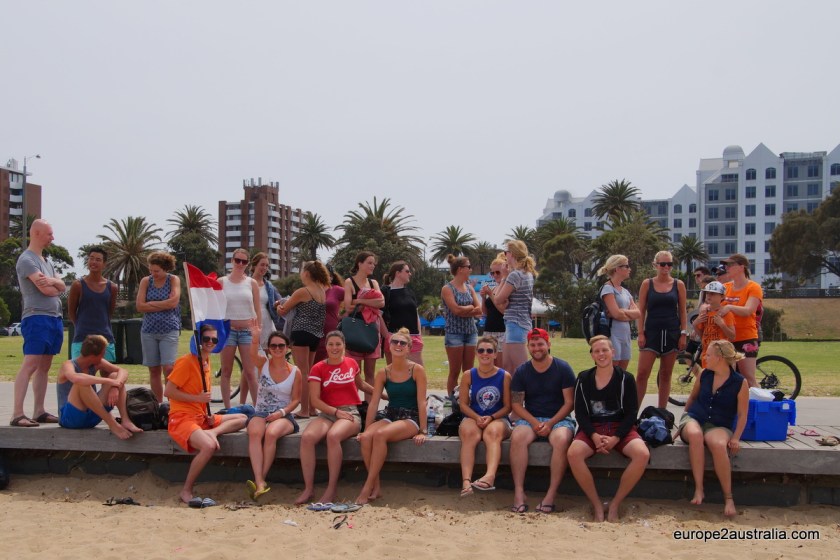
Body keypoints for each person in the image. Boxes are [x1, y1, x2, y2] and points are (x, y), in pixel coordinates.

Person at [568, 336, 649, 522]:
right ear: (592, 355)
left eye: (604, 350)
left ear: (613, 352)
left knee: (642, 454)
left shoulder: (625, 379)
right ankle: (597, 504)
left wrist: (616, 438)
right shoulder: (583, 378)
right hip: (593, 428)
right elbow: (580, 414)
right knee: (573, 454)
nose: (601, 354)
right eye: (596, 351)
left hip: (619, 427)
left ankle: (614, 504)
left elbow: (631, 414)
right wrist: (594, 436)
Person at [165, 324, 248, 506]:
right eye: (206, 339)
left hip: (200, 417)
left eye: (214, 339)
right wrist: (197, 398)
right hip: (182, 418)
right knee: (209, 446)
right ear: (198, 341)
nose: (210, 342)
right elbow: (168, 391)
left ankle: (213, 432)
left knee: (242, 418)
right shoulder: (187, 361)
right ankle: (186, 489)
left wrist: (209, 417)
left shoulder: (207, 360)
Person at [294, 331, 375, 506]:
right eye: (331, 344)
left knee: (333, 436)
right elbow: (314, 400)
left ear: (344, 346)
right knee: (307, 437)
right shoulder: (318, 368)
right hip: (328, 413)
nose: (334, 348)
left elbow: (360, 385)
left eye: (338, 344)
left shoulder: (352, 363)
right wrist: (334, 412)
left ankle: (331, 488)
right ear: (326, 346)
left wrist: (380, 394)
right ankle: (309, 488)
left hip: (350, 412)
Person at [355, 328, 428, 505]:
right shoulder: (384, 372)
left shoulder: (417, 370)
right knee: (366, 438)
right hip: (391, 413)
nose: (398, 345)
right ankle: (376, 486)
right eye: (395, 342)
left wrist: (423, 430)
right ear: (389, 346)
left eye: (402, 343)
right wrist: (367, 427)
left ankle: (367, 487)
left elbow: (422, 402)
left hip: (411, 417)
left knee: (380, 435)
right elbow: (373, 403)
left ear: (409, 348)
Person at [678, 340, 749, 518]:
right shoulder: (704, 375)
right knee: (695, 435)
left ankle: (728, 497)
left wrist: (736, 438)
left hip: (719, 424)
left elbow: (742, 415)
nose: (705, 357)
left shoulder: (740, 383)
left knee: (717, 444)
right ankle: (699, 489)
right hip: (695, 418)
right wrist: (682, 422)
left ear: (719, 358)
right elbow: (692, 399)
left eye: (708, 355)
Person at [509, 328, 576, 514]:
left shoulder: (563, 368)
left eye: (540, 344)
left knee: (561, 439)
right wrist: (534, 422)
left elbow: (569, 403)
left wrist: (551, 423)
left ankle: (550, 495)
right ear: (528, 347)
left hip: (559, 418)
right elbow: (516, 404)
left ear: (548, 344)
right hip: (531, 418)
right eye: (533, 344)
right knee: (518, 437)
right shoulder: (522, 371)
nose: (537, 348)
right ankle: (519, 492)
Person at [11, 219, 66, 427]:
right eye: (49, 234)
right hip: (37, 317)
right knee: (31, 364)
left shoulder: (47, 261)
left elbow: (61, 286)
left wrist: (55, 282)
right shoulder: (27, 260)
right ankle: (17, 413)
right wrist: (56, 284)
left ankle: (39, 410)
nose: (53, 238)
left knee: (45, 366)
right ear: (36, 233)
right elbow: (47, 289)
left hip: (54, 317)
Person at [245, 328, 302, 501]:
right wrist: (255, 338)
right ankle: (259, 480)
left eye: (281, 345)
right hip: (261, 411)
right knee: (254, 433)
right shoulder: (263, 363)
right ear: (268, 348)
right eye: (273, 346)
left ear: (287, 348)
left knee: (271, 434)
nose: (277, 349)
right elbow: (252, 354)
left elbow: (296, 400)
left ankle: (261, 479)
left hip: (283, 414)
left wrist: (281, 413)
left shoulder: (295, 371)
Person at [56, 334, 143, 439]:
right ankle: (112, 424)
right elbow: (76, 378)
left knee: (115, 376)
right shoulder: (68, 365)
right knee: (82, 384)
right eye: (103, 353)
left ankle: (125, 420)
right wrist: (109, 381)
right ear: (94, 356)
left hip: (93, 415)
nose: (104, 355)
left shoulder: (97, 362)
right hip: (71, 419)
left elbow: (122, 371)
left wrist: (116, 386)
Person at [457, 335, 512, 498]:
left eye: (489, 350)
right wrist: (476, 417)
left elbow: (508, 406)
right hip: (474, 416)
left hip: (497, 418)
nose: (485, 353)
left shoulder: (504, 376)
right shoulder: (468, 375)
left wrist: (492, 417)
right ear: (476, 353)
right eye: (481, 350)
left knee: (492, 433)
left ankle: (490, 476)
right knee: (469, 434)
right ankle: (466, 481)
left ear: (495, 354)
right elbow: (463, 405)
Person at [635, 250, 688, 408]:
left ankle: (662, 413)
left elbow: (683, 310)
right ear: (655, 265)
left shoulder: (679, 284)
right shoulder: (647, 284)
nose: (666, 267)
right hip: (651, 331)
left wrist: (683, 333)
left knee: (666, 374)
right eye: (663, 264)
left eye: (669, 264)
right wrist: (640, 333)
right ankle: (633, 413)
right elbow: (641, 310)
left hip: (672, 331)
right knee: (642, 373)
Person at [276, 261, 328, 418]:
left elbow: (283, 311)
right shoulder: (321, 291)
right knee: (310, 373)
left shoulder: (303, 291)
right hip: (315, 334)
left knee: (303, 373)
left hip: (301, 332)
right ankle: (312, 407)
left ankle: (304, 409)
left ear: (306, 273)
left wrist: (278, 306)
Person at [136, 251, 181, 402]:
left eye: (157, 271)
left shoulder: (173, 280)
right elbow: (140, 306)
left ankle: (172, 404)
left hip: (169, 329)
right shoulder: (146, 281)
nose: (153, 273)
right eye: (151, 270)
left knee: (168, 368)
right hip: (149, 330)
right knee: (153, 369)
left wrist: (151, 304)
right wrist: (164, 304)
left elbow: (173, 302)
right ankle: (158, 404)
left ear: (166, 268)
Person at [218, 248, 261, 408]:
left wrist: (259, 329)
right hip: (228, 329)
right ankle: (227, 407)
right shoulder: (222, 281)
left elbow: (257, 308)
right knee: (226, 371)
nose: (240, 264)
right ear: (232, 260)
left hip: (247, 331)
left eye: (244, 261)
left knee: (250, 372)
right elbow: (215, 306)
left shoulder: (252, 283)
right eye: (238, 260)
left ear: (248, 263)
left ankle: (257, 408)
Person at [489, 240, 537, 375]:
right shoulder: (526, 273)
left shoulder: (515, 275)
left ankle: (523, 396)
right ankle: (511, 396)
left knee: (519, 370)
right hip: (517, 323)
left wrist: (504, 276)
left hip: (516, 323)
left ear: (513, 254)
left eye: (506, 252)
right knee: (508, 368)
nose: (505, 256)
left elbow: (497, 298)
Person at [718, 254, 763, 388]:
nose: (727, 268)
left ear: (741, 267)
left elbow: (749, 310)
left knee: (748, 378)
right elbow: (713, 303)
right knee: (727, 378)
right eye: (726, 265)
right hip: (727, 337)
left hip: (746, 338)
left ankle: (757, 405)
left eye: (730, 265)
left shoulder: (753, 287)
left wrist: (730, 307)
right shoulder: (725, 287)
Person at [343, 251, 385, 394]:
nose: (372, 266)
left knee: (370, 372)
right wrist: (370, 303)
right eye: (369, 262)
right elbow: (348, 306)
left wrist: (360, 300)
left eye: (374, 263)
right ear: (359, 264)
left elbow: (381, 302)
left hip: (371, 330)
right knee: (354, 373)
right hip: (355, 330)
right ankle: (353, 405)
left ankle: (368, 407)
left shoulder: (374, 283)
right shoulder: (349, 282)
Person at [441, 254, 482, 396]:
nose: (470, 269)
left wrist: (465, 310)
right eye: (468, 267)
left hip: (471, 332)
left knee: (469, 371)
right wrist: (470, 308)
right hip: (454, 333)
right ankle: (453, 402)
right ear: (460, 269)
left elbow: (479, 311)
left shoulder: (470, 288)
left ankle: (466, 400)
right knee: (454, 371)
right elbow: (455, 310)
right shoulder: (447, 289)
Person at [68, 246, 118, 361]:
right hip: (82, 337)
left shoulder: (112, 287)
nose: (94, 262)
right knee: (82, 375)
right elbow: (71, 312)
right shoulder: (78, 285)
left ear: (104, 264)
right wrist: (80, 326)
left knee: (108, 373)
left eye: (98, 260)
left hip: (105, 337)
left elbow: (109, 312)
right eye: (91, 258)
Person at [598, 255, 640, 370]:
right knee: (611, 371)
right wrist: (624, 313)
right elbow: (616, 314)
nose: (629, 269)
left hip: (626, 335)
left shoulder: (625, 291)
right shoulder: (608, 288)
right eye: (626, 266)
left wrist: (621, 312)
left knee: (622, 373)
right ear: (617, 269)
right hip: (612, 334)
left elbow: (638, 313)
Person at [381, 261, 424, 364]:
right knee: (395, 373)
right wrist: (387, 336)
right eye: (407, 271)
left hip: (413, 336)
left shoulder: (410, 292)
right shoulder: (385, 291)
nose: (410, 274)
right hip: (395, 338)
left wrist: (419, 334)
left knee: (417, 372)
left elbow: (415, 314)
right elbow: (379, 316)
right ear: (398, 273)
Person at [693, 281, 736, 368]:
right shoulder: (704, 312)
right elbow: (702, 335)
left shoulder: (726, 313)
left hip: (721, 355)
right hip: (707, 353)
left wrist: (722, 325)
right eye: (708, 293)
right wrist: (695, 324)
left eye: (713, 293)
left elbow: (732, 336)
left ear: (722, 296)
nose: (709, 295)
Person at [479, 254, 508, 368]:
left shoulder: (506, 287)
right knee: (489, 366)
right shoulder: (495, 287)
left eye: (498, 272)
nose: (495, 275)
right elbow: (485, 312)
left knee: (500, 366)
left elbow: (504, 311)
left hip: (501, 331)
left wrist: (490, 294)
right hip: (489, 330)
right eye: (492, 273)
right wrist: (483, 297)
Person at [314, 265, 345, 363]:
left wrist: (344, 316)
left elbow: (353, 301)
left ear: (331, 276)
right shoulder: (311, 290)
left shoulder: (337, 290)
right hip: (312, 333)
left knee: (330, 363)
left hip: (330, 334)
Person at [251, 252, 282, 348]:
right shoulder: (247, 283)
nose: (264, 268)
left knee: (267, 352)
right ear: (254, 265)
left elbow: (278, 300)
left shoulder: (269, 286)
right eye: (262, 265)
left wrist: (277, 305)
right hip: (251, 320)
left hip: (266, 321)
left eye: (267, 265)